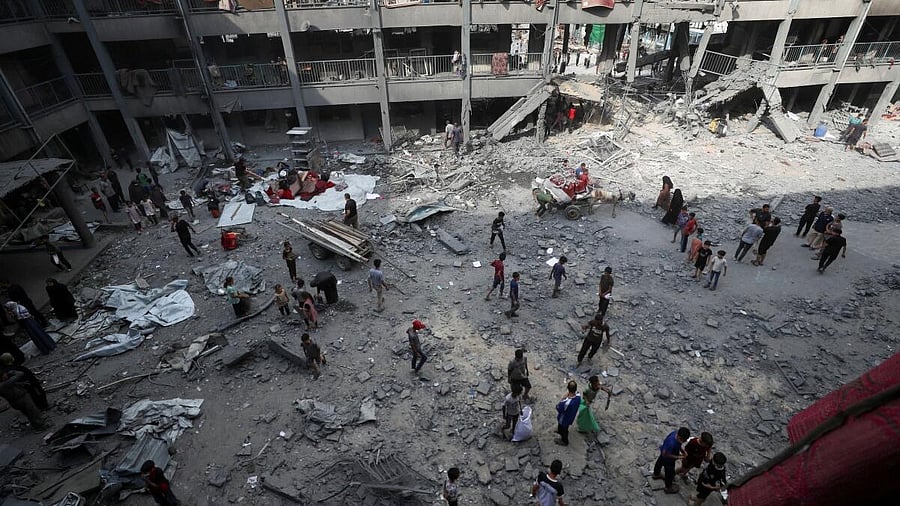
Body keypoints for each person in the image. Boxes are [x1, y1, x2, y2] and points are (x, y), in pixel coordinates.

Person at [652, 426, 690, 494]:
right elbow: (665, 454)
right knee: (669, 473)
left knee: (659, 462)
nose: (682, 442)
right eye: (681, 440)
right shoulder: (671, 443)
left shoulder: (675, 433)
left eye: (684, 440)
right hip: (668, 459)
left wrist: (683, 451)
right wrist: (678, 457)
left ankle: (656, 474)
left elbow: (679, 444)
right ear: (679, 436)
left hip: (665, 453)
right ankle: (668, 487)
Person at [555, 381, 581, 446]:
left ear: (567, 388)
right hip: (571, 416)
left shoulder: (566, 403)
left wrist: (562, 398)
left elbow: (558, 408)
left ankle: (564, 441)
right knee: (563, 427)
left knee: (564, 429)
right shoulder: (578, 396)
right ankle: (559, 431)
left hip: (564, 418)